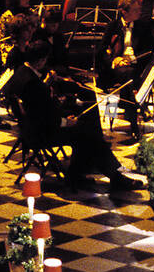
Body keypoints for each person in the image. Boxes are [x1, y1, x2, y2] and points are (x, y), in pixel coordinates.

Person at [14, 42, 135, 192]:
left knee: (86, 129)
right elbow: (44, 117)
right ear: (40, 60)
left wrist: (63, 114)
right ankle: (112, 177)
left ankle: (82, 173)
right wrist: (66, 122)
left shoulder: (21, 72)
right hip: (41, 133)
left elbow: (41, 109)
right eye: (45, 60)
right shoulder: (33, 84)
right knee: (88, 134)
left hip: (30, 129)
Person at [98, 0, 154, 137]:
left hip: (136, 67)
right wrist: (115, 60)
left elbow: (148, 49)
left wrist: (135, 59)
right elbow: (101, 51)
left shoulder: (142, 26)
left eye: (139, 10)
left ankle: (129, 107)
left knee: (130, 76)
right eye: (135, 10)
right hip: (115, 70)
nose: (139, 13)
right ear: (124, 12)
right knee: (128, 76)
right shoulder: (112, 26)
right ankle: (135, 116)